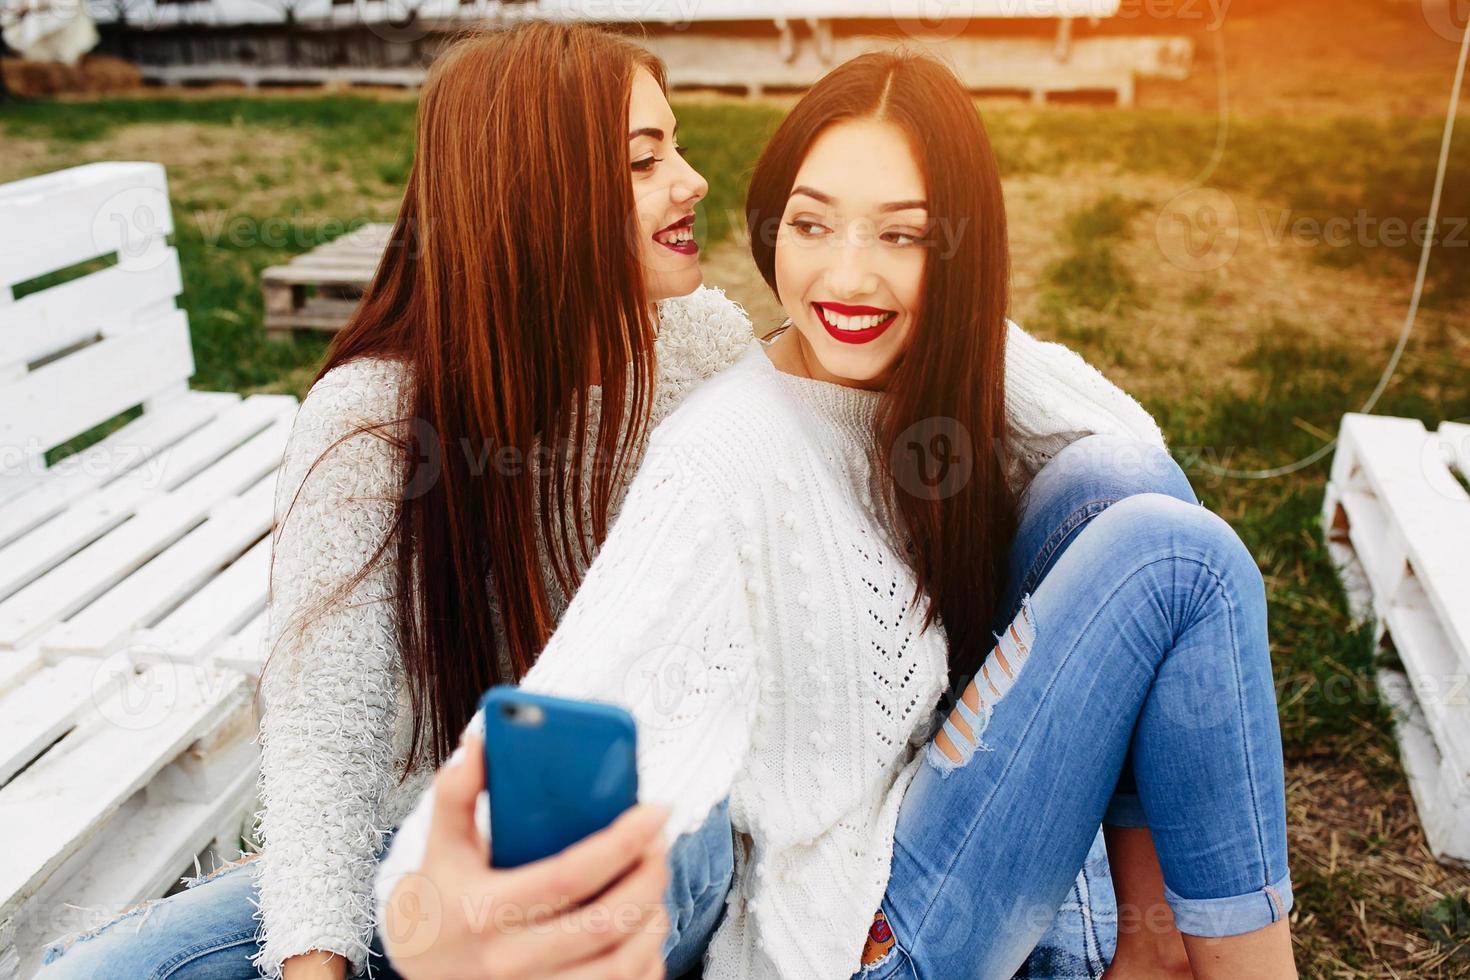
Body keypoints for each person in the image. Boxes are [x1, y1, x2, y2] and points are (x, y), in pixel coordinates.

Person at [375, 48, 1296, 980]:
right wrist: (460, 906)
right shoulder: (723, 453)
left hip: (931, 820)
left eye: (900, 236)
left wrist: (957, 333)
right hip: (857, 939)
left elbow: (1136, 459)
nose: (847, 279)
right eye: (812, 224)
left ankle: (1158, 947)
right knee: (1177, 560)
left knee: (1111, 485)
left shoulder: (933, 377)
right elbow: (590, 694)